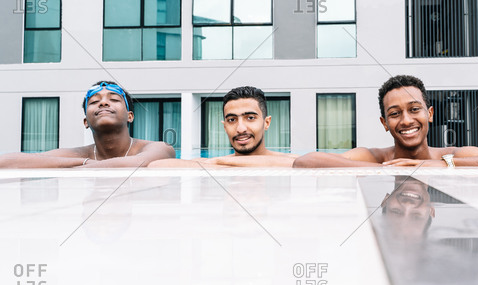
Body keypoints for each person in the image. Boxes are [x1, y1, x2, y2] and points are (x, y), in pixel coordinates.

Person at [293, 75, 478, 168]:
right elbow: (305, 162)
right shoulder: (375, 159)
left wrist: (443, 166)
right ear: (385, 123)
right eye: (395, 113)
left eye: (414, 109)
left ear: (429, 114)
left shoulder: (454, 155)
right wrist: (386, 170)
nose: (406, 120)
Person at [0, 81, 175, 168]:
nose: (103, 103)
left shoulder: (159, 147)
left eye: (113, 99)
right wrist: (84, 162)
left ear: (130, 116)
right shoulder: (80, 154)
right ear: (86, 121)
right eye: (94, 102)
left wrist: (78, 166)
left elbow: (140, 162)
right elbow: (7, 161)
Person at [149, 86, 296, 168]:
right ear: (224, 126)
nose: (240, 128)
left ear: (267, 122)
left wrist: (217, 162)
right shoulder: (214, 162)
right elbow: (156, 166)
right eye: (232, 120)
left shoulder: (216, 162)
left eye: (250, 118)